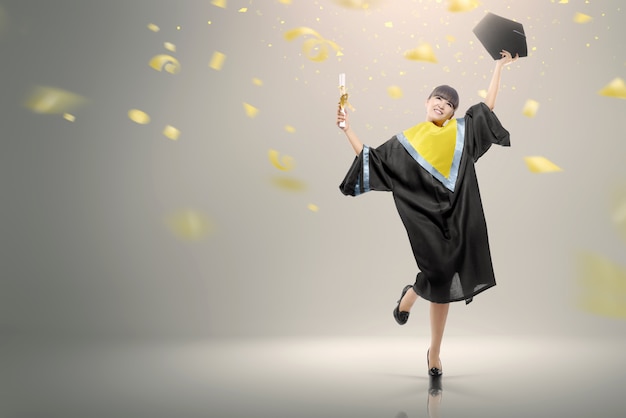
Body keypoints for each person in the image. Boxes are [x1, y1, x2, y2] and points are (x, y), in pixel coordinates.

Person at [336, 50, 518, 376]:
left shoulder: (460, 133)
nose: (441, 104)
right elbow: (373, 162)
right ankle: (411, 297)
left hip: (457, 218)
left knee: (445, 280)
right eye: (437, 98)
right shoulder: (406, 141)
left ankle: (434, 352)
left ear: (451, 112)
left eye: (448, 104)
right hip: (426, 221)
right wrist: (348, 129)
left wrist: (498, 67)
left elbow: (487, 109)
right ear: (426, 101)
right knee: (439, 276)